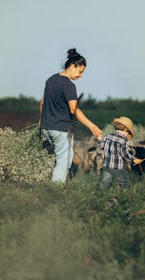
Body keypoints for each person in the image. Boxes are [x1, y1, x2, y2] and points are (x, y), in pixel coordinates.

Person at [39, 48, 103, 183]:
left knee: (52, 160)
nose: (80, 76)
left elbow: (42, 103)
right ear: (73, 66)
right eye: (80, 72)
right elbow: (74, 109)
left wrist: (42, 121)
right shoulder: (69, 85)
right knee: (63, 163)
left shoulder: (50, 80)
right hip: (61, 130)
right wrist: (92, 126)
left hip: (45, 128)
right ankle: (54, 192)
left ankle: (43, 184)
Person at [98, 117, 143, 190]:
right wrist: (134, 159)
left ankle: (101, 193)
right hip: (118, 167)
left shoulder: (107, 137)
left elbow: (102, 146)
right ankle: (125, 193)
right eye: (128, 132)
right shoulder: (123, 140)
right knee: (124, 182)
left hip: (106, 166)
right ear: (126, 130)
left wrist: (99, 139)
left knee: (104, 182)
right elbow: (124, 154)